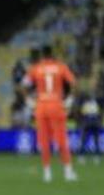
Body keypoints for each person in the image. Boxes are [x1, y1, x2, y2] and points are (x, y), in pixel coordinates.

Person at [24, 45, 77, 182]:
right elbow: (73, 83)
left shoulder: (36, 68)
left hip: (41, 106)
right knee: (61, 139)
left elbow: (24, 85)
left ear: (42, 56)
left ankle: (47, 173)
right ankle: (67, 172)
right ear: (52, 55)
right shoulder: (60, 67)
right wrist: (69, 99)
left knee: (44, 140)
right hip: (56, 104)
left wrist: (29, 100)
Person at [80, 94, 102, 165]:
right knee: (96, 140)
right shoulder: (95, 104)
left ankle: (82, 157)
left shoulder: (85, 104)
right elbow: (98, 113)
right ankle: (97, 157)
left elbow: (83, 113)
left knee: (84, 140)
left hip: (87, 122)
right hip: (95, 122)